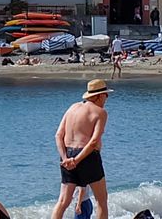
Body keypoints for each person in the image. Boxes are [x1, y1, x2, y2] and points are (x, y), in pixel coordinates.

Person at [50, 80, 111, 219]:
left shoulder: (72, 108)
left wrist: (66, 158)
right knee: (101, 200)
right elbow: (93, 141)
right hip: (87, 156)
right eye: (106, 95)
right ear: (100, 96)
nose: (106, 98)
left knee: (63, 202)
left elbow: (58, 135)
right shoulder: (100, 112)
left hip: (67, 155)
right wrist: (76, 160)